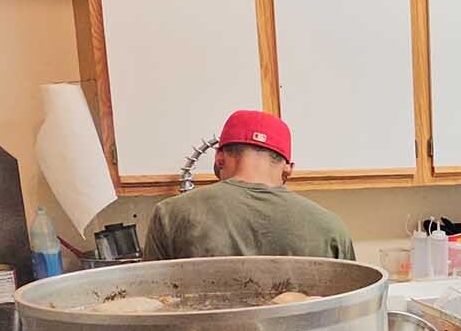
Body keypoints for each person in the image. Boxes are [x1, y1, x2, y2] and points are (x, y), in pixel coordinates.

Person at [144, 109, 355, 261]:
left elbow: (151, 307)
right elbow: (349, 315)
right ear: (288, 169)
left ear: (219, 158)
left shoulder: (169, 215)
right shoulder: (331, 228)